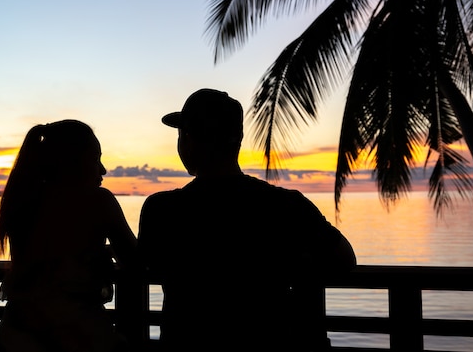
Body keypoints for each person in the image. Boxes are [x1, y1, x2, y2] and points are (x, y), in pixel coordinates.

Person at [137, 88, 356, 351]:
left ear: (187, 139)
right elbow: (344, 259)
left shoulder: (161, 210)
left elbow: (148, 263)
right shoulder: (286, 204)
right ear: (237, 140)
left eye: (182, 134)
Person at [0, 119, 138, 352]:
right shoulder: (99, 201)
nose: (102, 170)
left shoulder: (22, 203)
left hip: (16, 338)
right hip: (79, 338)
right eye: (95, 159)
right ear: (73, 162)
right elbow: (135, 260)